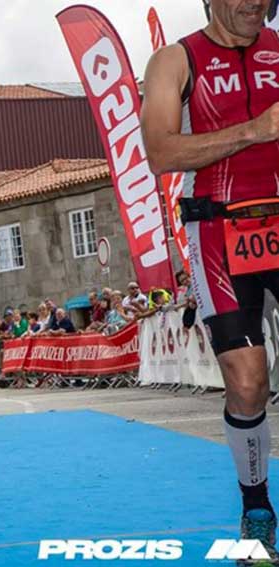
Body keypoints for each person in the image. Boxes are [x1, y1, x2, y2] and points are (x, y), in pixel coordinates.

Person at [142, 0, 279, 552]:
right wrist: (255, 130)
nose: (254, 4)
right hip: (221, 232)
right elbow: (160, 151)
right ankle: (257, 508)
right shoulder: (175, 60)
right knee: (248, 383)